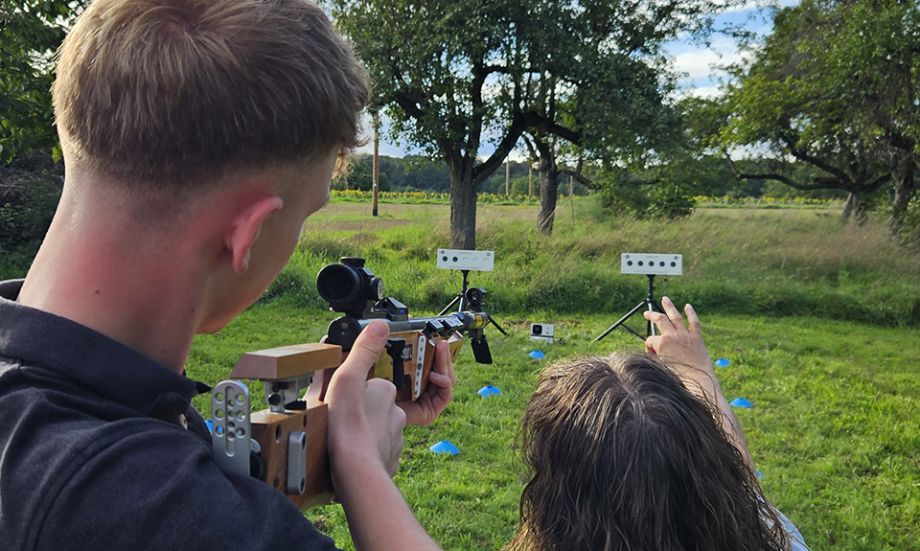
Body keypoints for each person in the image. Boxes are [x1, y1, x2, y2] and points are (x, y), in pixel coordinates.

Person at [0, 1, 455, 550]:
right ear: (248, 234)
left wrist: (315, 450)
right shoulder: (148, 506)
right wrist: (364, 469)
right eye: (304, 216)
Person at [508, 297, 810, 551]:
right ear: (708, 467)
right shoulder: (776, 537)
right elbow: (742, 479)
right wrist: (700, 373)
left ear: (560, 487)